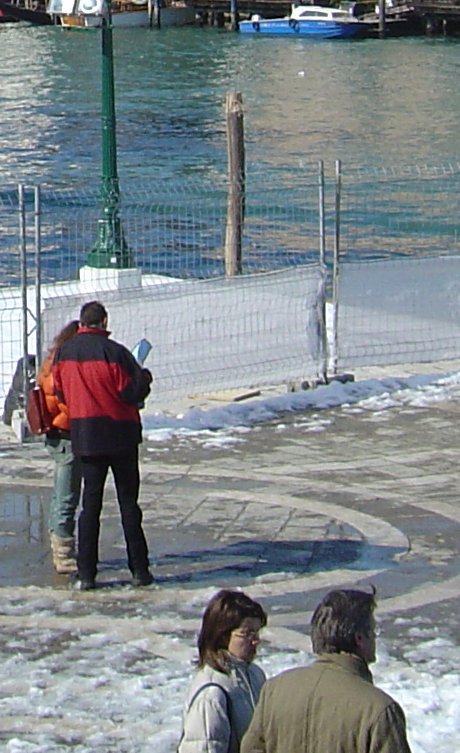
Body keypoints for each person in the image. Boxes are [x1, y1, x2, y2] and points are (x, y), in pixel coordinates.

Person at [52, 298, 154, 591]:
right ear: (104, 323)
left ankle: (87, 573)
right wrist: (145, 377)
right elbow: (131, 391)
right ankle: (139, 569)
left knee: (90, 507)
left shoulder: (64, 353)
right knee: (128, 505)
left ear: (81, 323)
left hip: (86, 436)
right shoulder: (116, 352)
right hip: (120, 435)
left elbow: (60, 391)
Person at [235, 586, 411, 753]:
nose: (374, 636)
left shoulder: (274, 690)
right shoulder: (379, 709)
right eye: (373, 630)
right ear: (359, 638)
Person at [178, 589, 270, 753]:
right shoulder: (212, 694)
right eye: (246, 633)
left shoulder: (255, 675)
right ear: (222, 636)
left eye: (256, 632)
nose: (255, 641)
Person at [34, 318, 79, 570]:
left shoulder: (53, 360)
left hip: (58, 433)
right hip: (64, 434)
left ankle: (59, 542)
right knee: (66, 494)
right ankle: (62, 551)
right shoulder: (61, 365)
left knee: (64, 492)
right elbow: (59, 402)